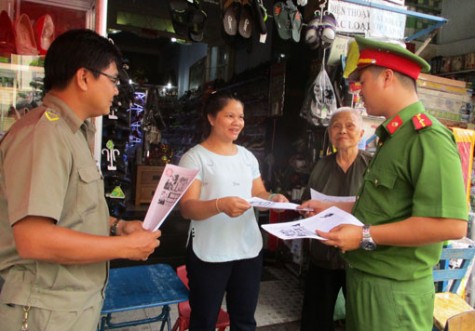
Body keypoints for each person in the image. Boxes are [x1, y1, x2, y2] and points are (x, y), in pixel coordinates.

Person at [300, 36, 468, 331]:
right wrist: (330, 206)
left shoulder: (428, 139)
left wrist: (364, 235)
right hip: (367, 283)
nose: (357, 90)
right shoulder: (392, 138)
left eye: (362, 81)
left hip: (393, 292)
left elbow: (450, 225)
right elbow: (383, 206)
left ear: (387, 77)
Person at [0, 29, 161, 331]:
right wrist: (125, 249)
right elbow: (33, 239)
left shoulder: (73, 133)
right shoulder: (44, 135)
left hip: (69, 306)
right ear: (84, 77)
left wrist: (118, 227)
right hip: (44, 312)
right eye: (113, 80)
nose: (116, 91)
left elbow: (71, 213)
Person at [178, 90, 288, 331]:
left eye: (241, 117)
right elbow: (187, 208)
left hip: (247, 249)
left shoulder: (248, 157)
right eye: (230, 116)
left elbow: (258, 192)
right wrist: (219, 205)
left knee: (244, 320)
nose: (237, 122)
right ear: (211, 117)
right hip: (209, 252)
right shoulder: (194, 158)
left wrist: (272, 198)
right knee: (204, 320)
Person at [300, 107, 371, 331]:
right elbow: (307, 200)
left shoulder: (372, 165)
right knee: (315, 319)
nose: (342, 131)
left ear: (361, 133)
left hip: (360, 257)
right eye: (336, 126)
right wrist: (306, 211)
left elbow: (381, 209)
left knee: (363, 319)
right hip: (323, 255)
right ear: (330, 133)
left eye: (350, 126)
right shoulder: (322, 165)